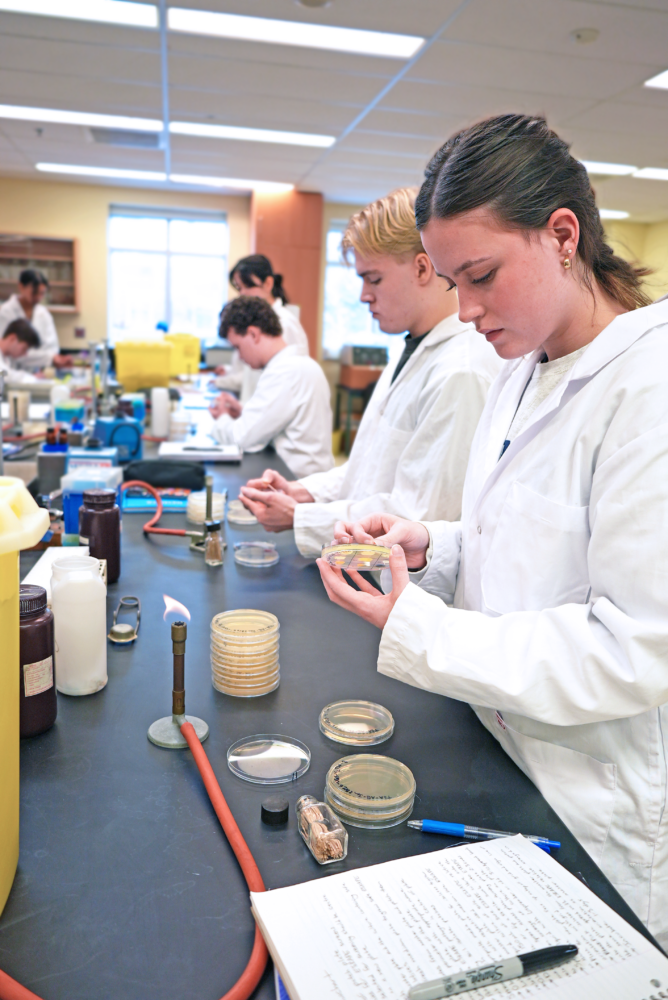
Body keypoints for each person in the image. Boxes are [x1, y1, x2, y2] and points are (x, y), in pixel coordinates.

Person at [317, 114, 668, 946]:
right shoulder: (523, 367)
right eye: (450, 279)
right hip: (501, 747)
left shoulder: (648, 390)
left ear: (561, 235)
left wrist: (423, 628)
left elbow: (635, 648)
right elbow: (523, 541)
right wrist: (435, 545)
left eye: (480, 276)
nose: (464, 309)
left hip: (596, 806)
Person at [239, 187, 501, 558]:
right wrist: (306, 493)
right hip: (358, 564)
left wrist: (302, 517)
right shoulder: (411, 348)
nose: (363, 295)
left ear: (422, 268)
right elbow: (366, 470)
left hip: (392, 583)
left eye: (373, 279)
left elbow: (416, 517)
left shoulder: (461, 372)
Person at [209, 296, 333, 477]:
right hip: (303, 477)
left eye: (238, 346)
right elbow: (276, 418)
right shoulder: (299, 365)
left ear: (253, 334)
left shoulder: (284, 372)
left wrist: (222, 418)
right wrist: (243, 411)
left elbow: (243, 439)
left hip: (297, 481)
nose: (240, 357)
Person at [215, 254, 309, 403]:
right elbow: (251, 372)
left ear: (268, 284)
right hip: (256, 413)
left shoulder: (285, 323)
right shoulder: (258, 321)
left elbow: (284, 383)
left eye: (249, 286)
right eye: (239, 288)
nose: (243, 294)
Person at [0, 269, 66, 370]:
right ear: (21, 286)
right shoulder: (6, 312)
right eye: (34, 292)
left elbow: (52, 349)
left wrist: (50, 359)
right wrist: (48, 358)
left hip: (34, 373)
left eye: (42, 293)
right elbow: (7, 372)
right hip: (11, 370)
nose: (39, 297)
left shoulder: (44, 314)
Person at [0, 318, 41, 385]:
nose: (25, 354)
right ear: (12, 338)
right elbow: (3, 373)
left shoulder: (6, 359)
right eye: (24, 348)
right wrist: (28, 377)